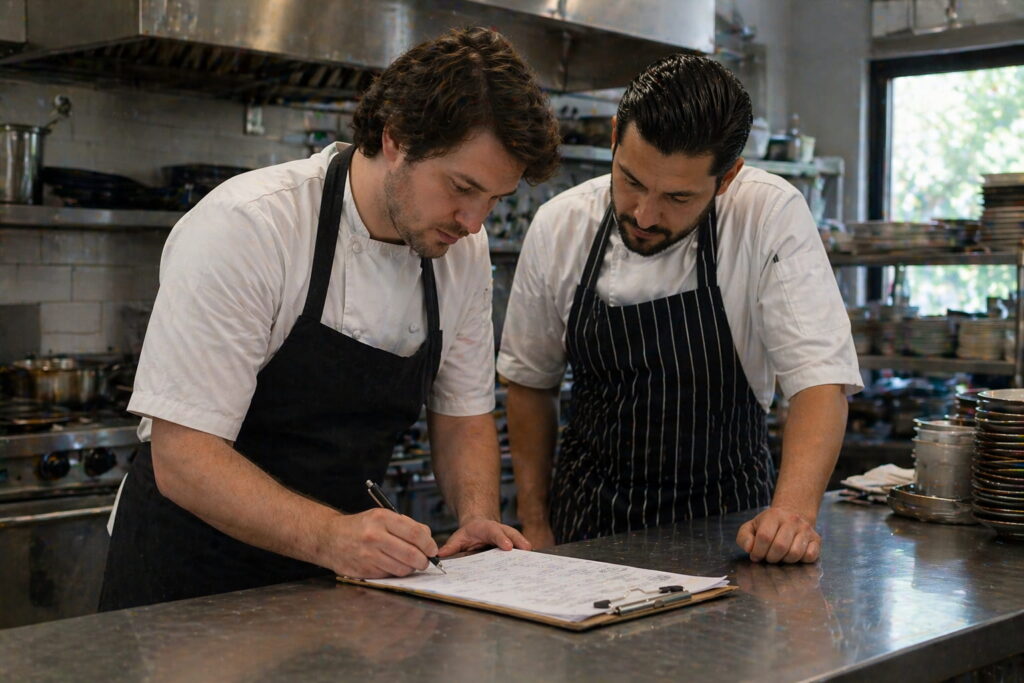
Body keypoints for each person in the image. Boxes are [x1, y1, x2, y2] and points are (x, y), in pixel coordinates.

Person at [98, 27, 561, 610]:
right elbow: (183, 458)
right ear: (396, 138)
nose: (473, 220)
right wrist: (330, 536)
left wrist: (476, 519)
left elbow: (463, 416)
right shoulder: (251, 227)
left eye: (495, 198)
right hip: (190, 583)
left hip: (333, 584)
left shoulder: (461, 252)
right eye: (462, 187)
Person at [497, 53, 862, 564]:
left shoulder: (767, 214)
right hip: (587, 527)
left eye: (677, 197)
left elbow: (821, 380)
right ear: (614, 137)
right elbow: (531, 384)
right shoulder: (560, 225)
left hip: (730, 527)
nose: (645, 214)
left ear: (728, 176)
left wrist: (793, 515)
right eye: (631, 181)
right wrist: (534, 521)